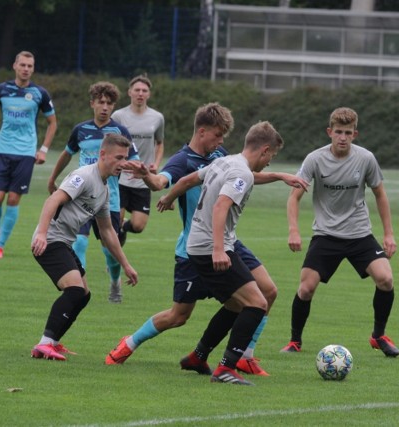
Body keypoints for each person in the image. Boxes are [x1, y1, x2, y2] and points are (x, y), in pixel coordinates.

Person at [105, 104, 306, 377]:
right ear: (202, 132)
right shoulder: (181, 159)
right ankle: (129, 343)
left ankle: (244, 355)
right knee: (179, 316)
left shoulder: (220, 156)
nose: (222, 141)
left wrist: (279, 176)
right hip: (198, 247)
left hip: (226, 240)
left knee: (267, 291)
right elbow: (163, 180)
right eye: (218, 134)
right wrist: (152, 181)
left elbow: (243, 176)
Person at [155, 121, 291, 385]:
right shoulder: (243, 173)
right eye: (271, 157)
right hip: (210, 247)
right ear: (264, 150)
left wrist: (169, 198)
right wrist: (218, 249)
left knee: (236, 304)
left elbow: (187, 179)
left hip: (201, 244)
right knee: (258, 303)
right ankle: (226, 368)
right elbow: (221, 206)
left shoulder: (224, 162)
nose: (269, 163)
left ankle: (198, 356)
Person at [280, 107, 399, 357]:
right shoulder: (315, 159)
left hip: (359, 234)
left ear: (354, 134)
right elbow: (294, 197)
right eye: (338, 132)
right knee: (306, 289)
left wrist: (388, 234)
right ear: (329, 132)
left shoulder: (366, 158)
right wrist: (294, 230)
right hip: (326, 235)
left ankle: (378, 336)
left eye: (347, 132)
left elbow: (380, 194)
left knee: (386, 279)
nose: (342, 137)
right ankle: (294, 341)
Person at [30, 133, 138, 361]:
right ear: (103, 154)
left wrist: (126, 265)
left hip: (63, 242)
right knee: (75, 291)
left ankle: (53, 343)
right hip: (50, 240)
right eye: (118, 157)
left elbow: (107, 231)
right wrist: (41, 233)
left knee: (84, 295)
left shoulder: (104, 188)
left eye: (125, 158)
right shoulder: (84, 176)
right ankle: (44, 343)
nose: (123, 163)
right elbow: (53, 200)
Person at [47, 81, 138, 303]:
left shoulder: (120, 132)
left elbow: (133, 160)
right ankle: (78, 287)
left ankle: (115, 282)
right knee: (79, 241)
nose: (105, 107)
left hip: (109, 199)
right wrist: (53, 178)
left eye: (109, 103)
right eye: (101, 102)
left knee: (110, 249)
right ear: (92, 104)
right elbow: (67, 154)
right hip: (80, 198)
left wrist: (139, 170)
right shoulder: (81, 130)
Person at [0, 51, 57, 259]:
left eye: (30, 66)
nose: (26, 69)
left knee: (13, 199)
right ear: (15, 66)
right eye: (22, 65)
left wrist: (43, 150)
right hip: (3, 150)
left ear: (33, 69)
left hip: (25, 154)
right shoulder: (2, 90)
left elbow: (53, 123)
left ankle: (0, 245)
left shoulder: (40, 93)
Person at [111, 74, 165, 245]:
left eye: (144, 91)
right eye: (137, 90)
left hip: (143, 179)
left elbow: (160, 143)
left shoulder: (157, 118)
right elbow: (110, 142)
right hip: (121, 178)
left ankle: (125, 227)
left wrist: (156, 164)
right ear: (130, 92)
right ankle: (114, 263)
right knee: (114, 224)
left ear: (149, 94)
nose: (140, 93)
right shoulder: (118, 116)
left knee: (138, 225)